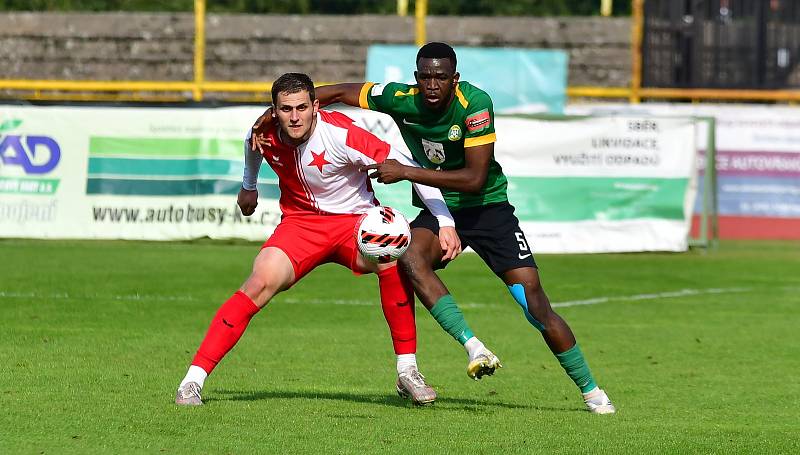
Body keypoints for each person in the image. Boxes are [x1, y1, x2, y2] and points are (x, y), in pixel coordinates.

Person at [255, 43, 617, 414]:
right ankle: (468, 347)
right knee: (406, 256)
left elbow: (475, 179)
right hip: (437, 204)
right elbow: (341, 92)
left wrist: (406, 171)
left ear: (454, 78)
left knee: (534, 305)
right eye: (425, 77)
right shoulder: (400, 97)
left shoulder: (474, 105)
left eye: (440, 77)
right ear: (416, 78)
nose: (432, 84)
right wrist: (272, 116)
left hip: (488, 211)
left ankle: (591, 391)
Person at [175, 72, 463, 407]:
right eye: (285, 109)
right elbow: (251, 144)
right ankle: (192, 380)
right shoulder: (265, 129)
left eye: (301, 107)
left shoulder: (342, 133)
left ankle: (407, 370)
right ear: (274, 111)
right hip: (301, 225)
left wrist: (444, 220)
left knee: (390, 250)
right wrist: (248, 186)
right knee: (259, 281)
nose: (294, 117)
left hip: (353, 224)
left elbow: (408, 167)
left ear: (315, 105)